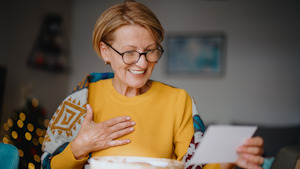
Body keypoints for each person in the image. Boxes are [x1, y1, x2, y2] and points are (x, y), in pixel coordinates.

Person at [41, 1, 264, 169]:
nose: (142, 62)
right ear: (105, 51)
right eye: (129, 52)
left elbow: (197, 165)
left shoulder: (178, 101)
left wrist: (228, 161)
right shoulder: (82, 99)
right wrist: (80, 147)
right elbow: (47, 165)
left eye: (150, 51)